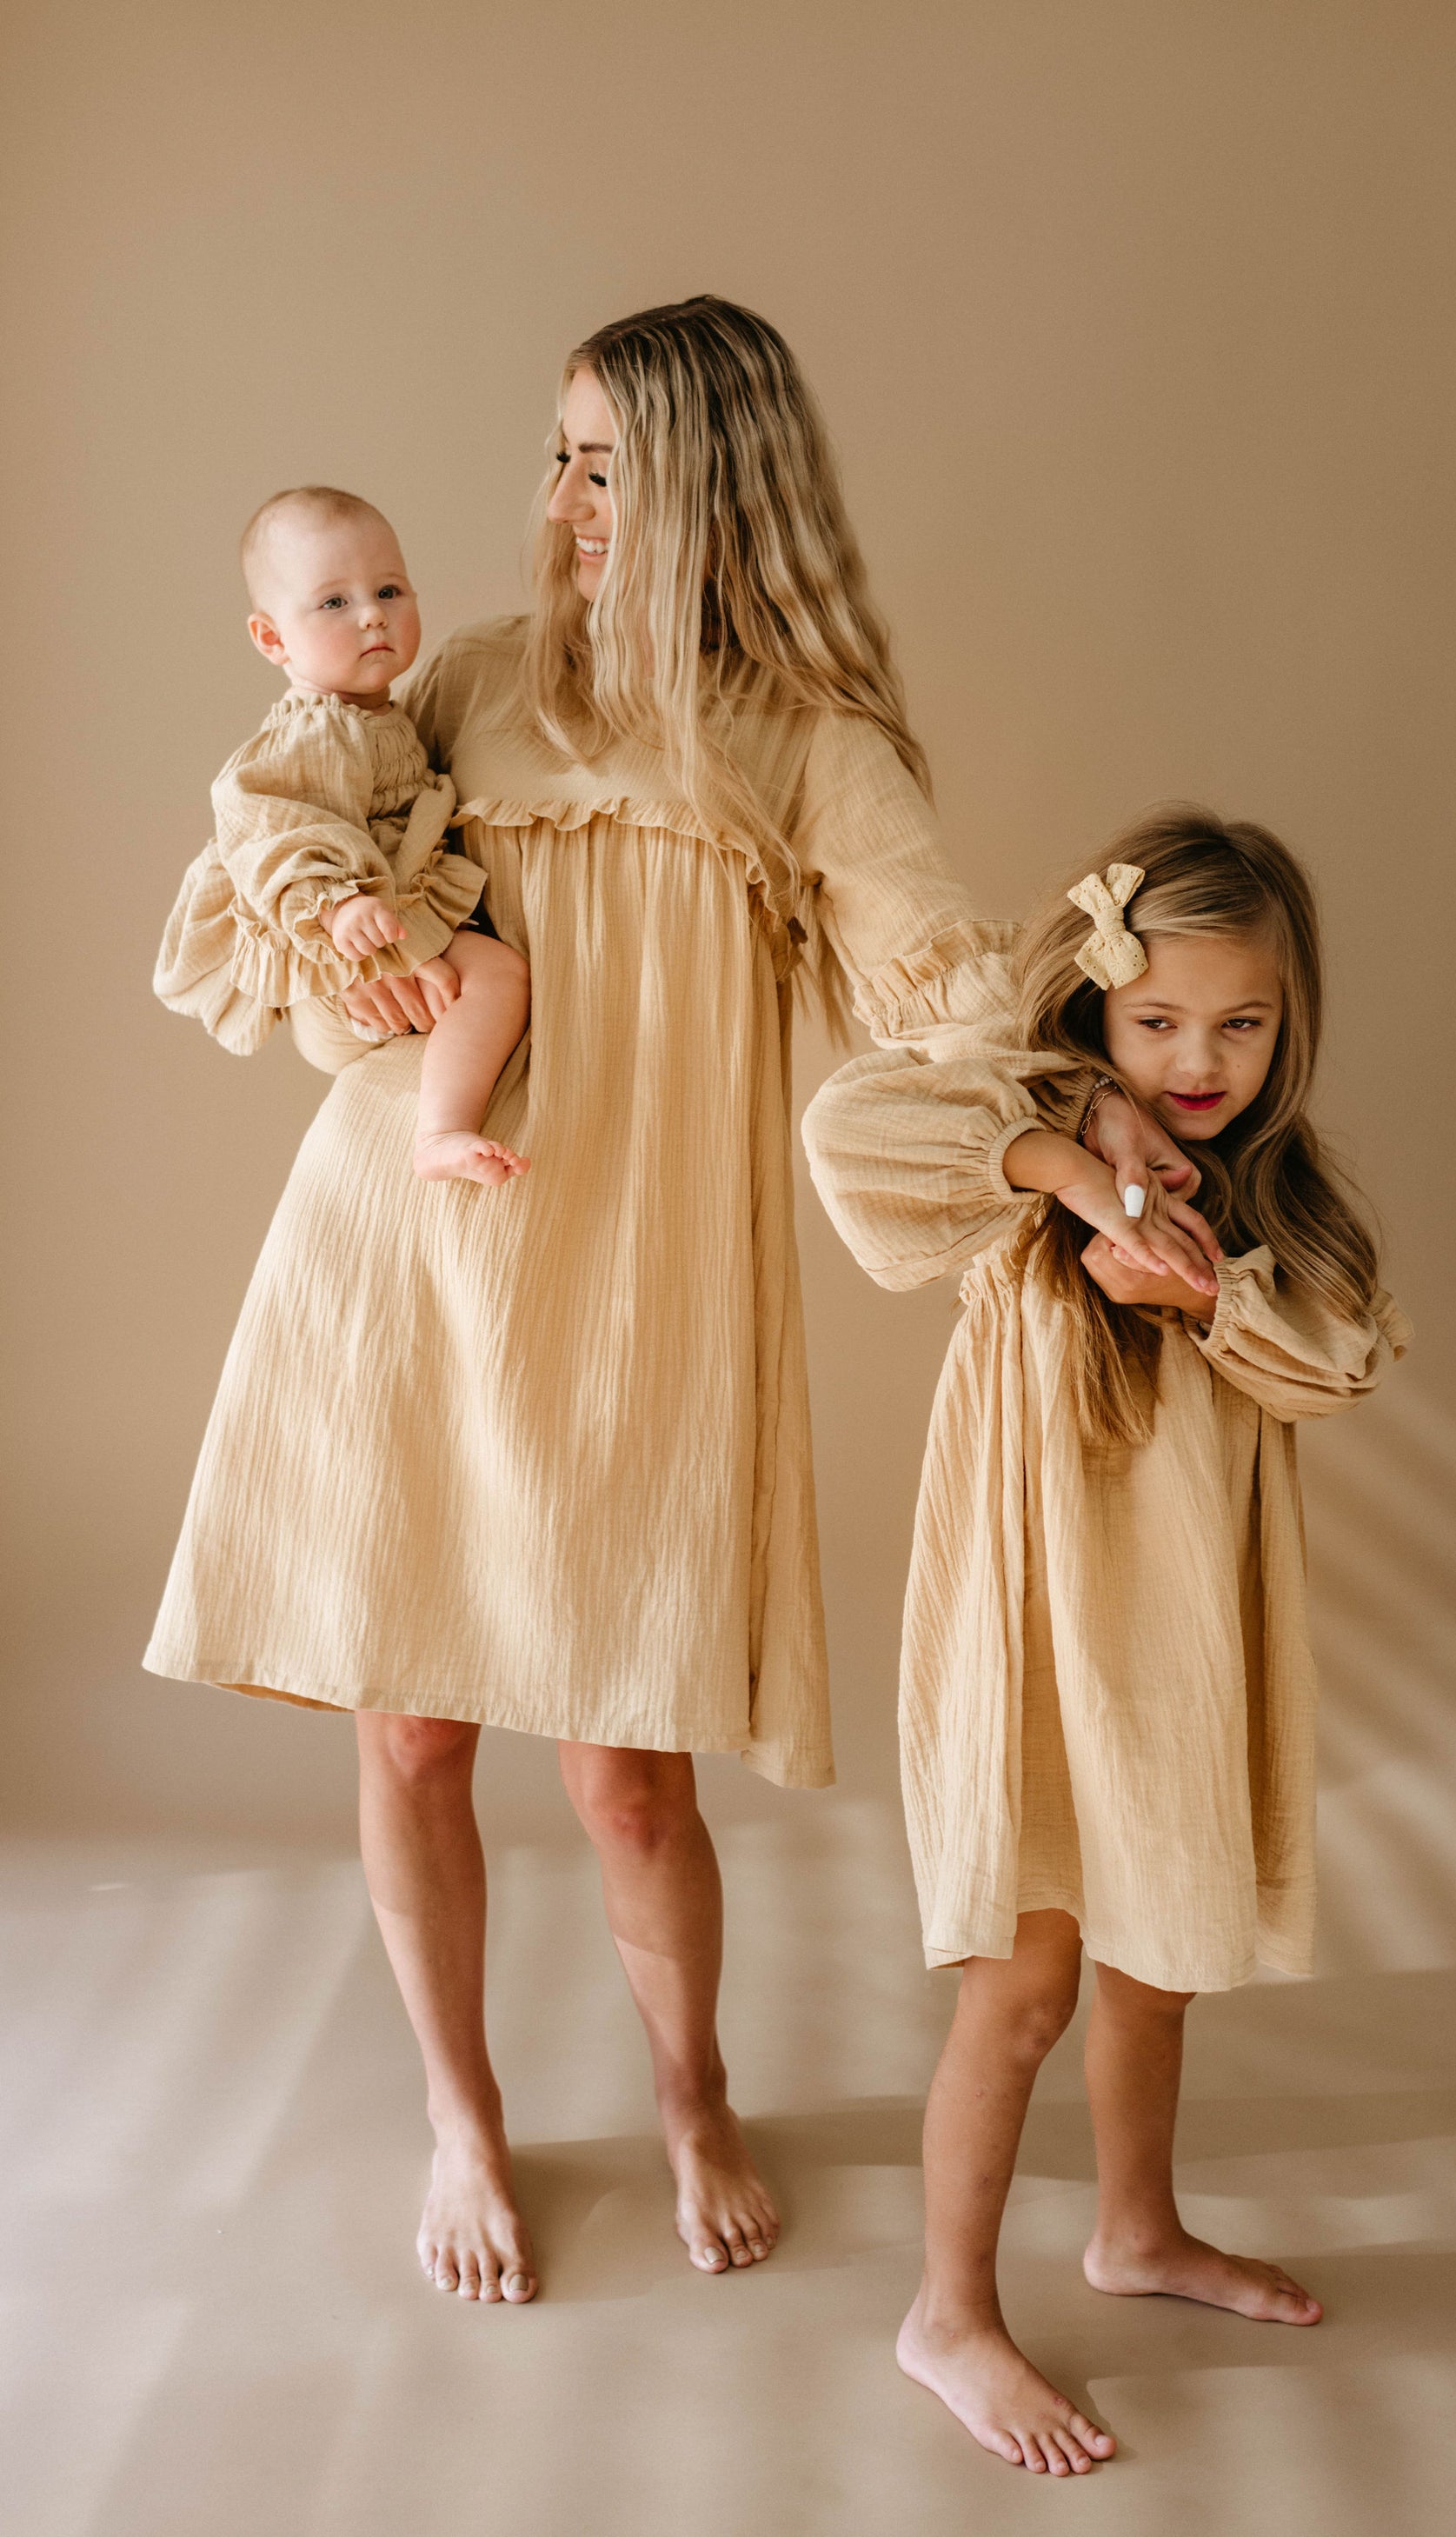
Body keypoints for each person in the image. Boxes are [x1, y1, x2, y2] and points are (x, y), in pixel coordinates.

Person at [144, 296, 1220, 2302]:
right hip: (409, 1245)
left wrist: (1080, 1134)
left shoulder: (806, 742)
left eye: (612, 465)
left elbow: (938, 992)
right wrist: (347, 938)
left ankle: (691, 2086)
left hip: (639, 1285)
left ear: (712, 487)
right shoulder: (453, 679)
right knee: (408, 1741)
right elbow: (280, 846)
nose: (566, 502)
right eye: (557, 454)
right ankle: (464, 2106)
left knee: (633, 1769)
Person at [804, 806, 1410, 2472]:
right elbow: (851, 1126)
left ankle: (1136, 2228)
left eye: (1241, 1022)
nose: (1198, 1058)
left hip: (1176, 1650)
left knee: (1158, 1963)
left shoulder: (1272, 1206)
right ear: (1093, 1005)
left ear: (1290, 1023)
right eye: (1157, 1019)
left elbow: (1345, 1357)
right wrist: (1075, 1163)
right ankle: (948, 2309)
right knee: (1024, 1984)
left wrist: (1208, 1294)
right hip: (1034, 1637)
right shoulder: (1017, 1154)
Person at [154, 485, 530, 1185]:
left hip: (378, 937)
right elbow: (269, 829)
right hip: (341, 954)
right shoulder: (315, 730)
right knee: (500, 977)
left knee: (478, 984)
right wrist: (335, 905)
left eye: (389, 590)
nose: (370, 616)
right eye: (334, 602)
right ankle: (441, 1132)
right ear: (271, 638)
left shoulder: (382, 716)